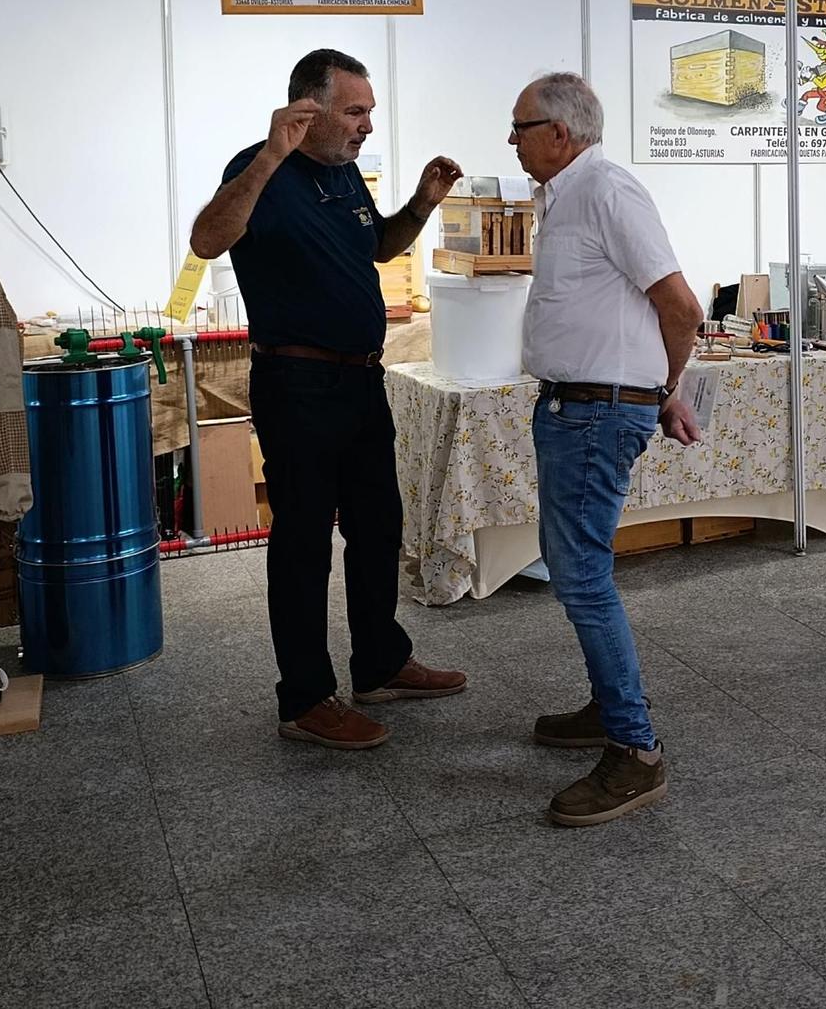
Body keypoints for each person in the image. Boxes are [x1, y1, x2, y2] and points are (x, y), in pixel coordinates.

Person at [190, 48, 468, 749]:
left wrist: (422, 205)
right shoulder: (259, 170)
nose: (367, 124)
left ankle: (380, 663)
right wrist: (269, 157)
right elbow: (207, 238)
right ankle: (305, 698)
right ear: (305, 111)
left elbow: (378, 247)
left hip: (359, 381)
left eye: (369, 111)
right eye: (355, 110)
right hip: (297, 385)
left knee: (378, 526)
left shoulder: (344, 179)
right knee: (304, 542)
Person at [510, 72, 703, 827]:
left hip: (595, 413)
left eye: (521, 126)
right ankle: (608, 705)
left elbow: (681, 307)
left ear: (561, 133)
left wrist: (661, 389)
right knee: (577, 570)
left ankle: (635, 749)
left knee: (582, 576)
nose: (514, 139)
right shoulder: (564, 196)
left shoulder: (606, 192)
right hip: (578, 406)